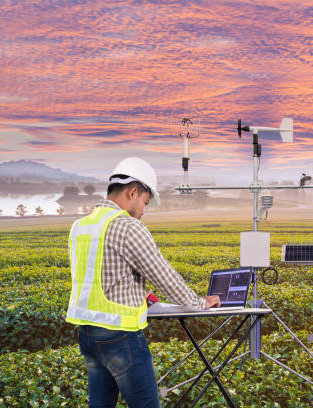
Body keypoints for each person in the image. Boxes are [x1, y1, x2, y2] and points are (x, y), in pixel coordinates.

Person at [65, 157, 221, 408]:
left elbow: (96, 276)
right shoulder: (127, 226)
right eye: (145, 202)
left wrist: (139, 294)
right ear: (133, 191)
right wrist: (199, 303)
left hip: (88, 336)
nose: (144, 210)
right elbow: (165, 277)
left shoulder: (80, 226)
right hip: (120, 337)